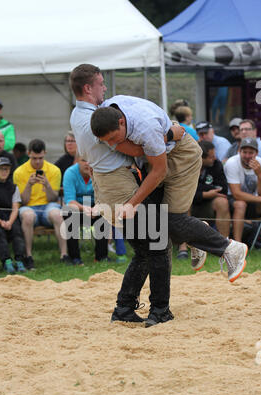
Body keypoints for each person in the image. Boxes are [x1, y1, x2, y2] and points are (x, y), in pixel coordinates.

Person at [90, 95, 247, 281]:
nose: (112, 145)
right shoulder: (106, 113)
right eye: (106, 141)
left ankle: (229, 248)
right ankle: (196, 232)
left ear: (121, 122)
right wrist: (168, 135)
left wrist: (131, 204)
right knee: (155, 220)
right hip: (161, 151)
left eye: (113, 138)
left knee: (172, 219)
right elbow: (139, 151)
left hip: (182, 157)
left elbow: (158, 170)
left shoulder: (144, 128)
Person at [70, 64, 173, 327]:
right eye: (101, 84)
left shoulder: (81, 115)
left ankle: (126, 306)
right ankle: (158, 309)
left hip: (113, 182)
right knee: (156, 246)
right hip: (118, 185)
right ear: (88, 88)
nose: (105, 88)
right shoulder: (93, 120)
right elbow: (137, 149)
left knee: (146, 249)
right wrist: (168, 134)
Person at [13, 138, 68, 270]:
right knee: (28, 216)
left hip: (48, 206)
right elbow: (23, 201)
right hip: (28, 206)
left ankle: (64, 255)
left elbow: (53, 198)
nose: (37, 162)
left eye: (40, 158)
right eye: (34, 158)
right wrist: (28, 185)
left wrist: (47, 185)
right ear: (28, 154)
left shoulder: (54, 170)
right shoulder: (19, 172)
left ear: (45, 153)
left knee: (57, 214)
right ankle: (28, 256)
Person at [63, 155, 109, 265]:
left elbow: (104, 196)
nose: (87, 163)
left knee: (104, 213)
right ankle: (75, 258)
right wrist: (85, 208)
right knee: (70, 213)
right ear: (77, 161)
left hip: (94, 205)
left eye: (90, 160)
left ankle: (101, 257)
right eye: (84, 160)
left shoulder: (99, 173)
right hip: (77, 207)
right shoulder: (70, 173)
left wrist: (97, 208)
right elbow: (70, 200)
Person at [0, 157, 26, 274]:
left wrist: (10, 222)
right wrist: (0, 222)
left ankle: (19, 260)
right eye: (0, 169)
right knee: (0, 235)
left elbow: (15, 208)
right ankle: (6, 261)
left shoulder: (14, 187)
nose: (4, 171)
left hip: (10, 216)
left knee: (17, 232)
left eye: (6, 169)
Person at [224, 137, 261, 242]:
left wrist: (259, 174)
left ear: (256, 153)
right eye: (244, 152)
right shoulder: (232, 163)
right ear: (239, 151)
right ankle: (238, 244)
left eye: (251, 153)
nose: (247, 156)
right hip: (233, 200)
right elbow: (236, 194)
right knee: (240, 204)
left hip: (255, 201)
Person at [191, 141, 231, 238]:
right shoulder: (187, 166)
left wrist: (199, 189)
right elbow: (183, 190)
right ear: (200, 158)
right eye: (211, 157)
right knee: (183, 201)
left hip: (208, 205)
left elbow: (223, 189)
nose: (215, 158)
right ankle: (182, 247)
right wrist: (205, 194)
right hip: (189, 205)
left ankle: (224, 244)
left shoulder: (216, 164)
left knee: (222, 202)